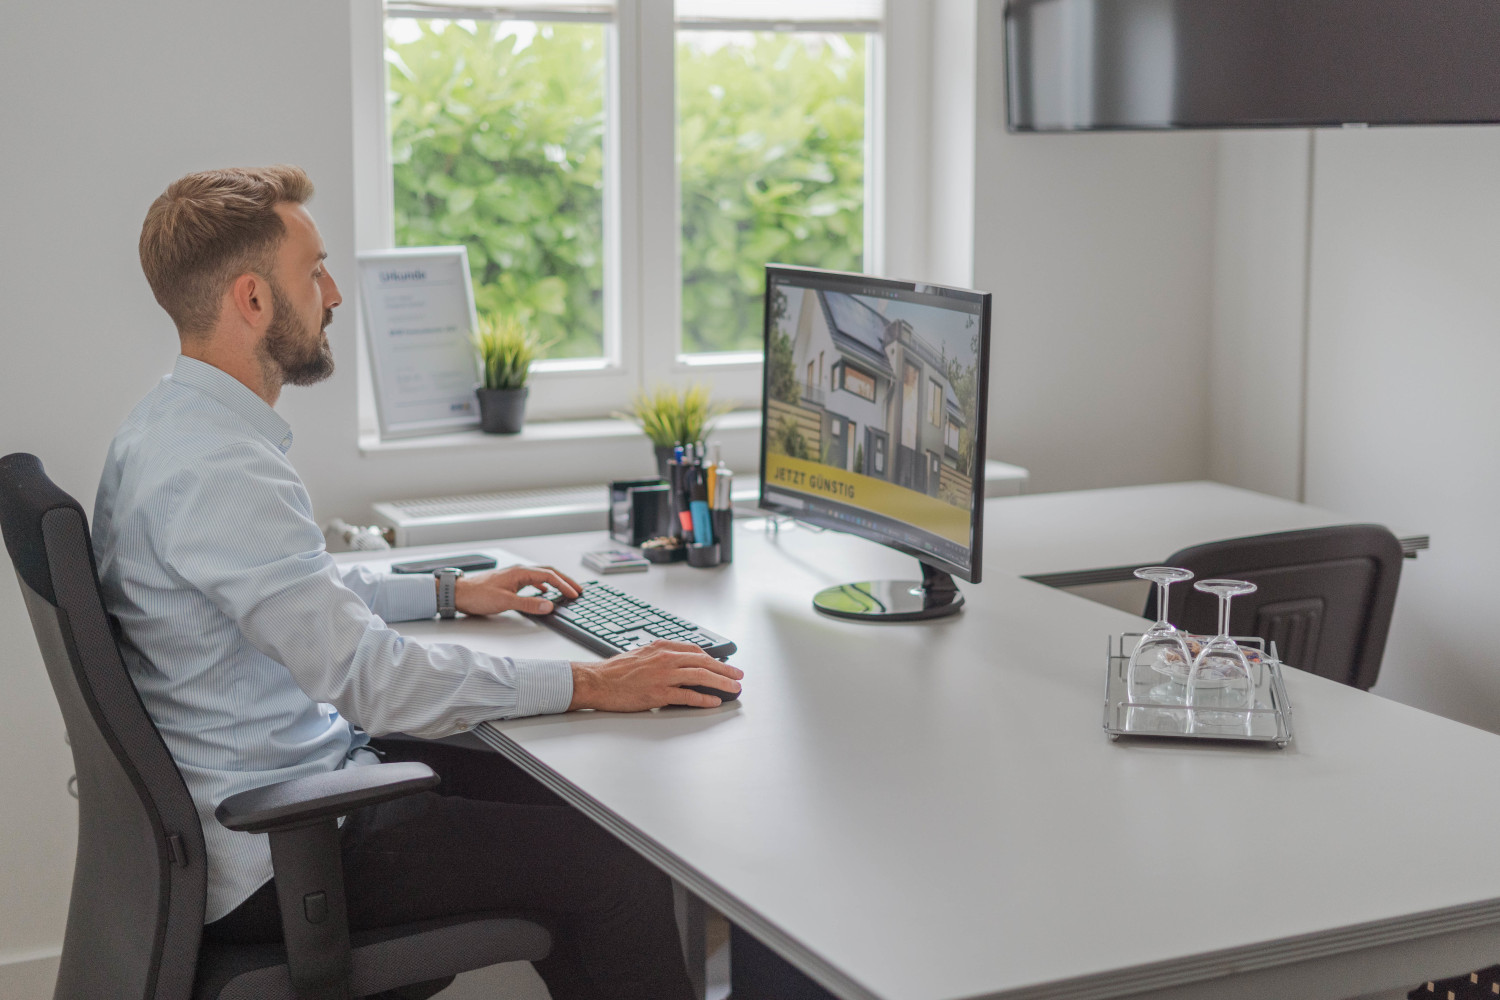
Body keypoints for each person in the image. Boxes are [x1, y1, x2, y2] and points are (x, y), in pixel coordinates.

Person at [93, 165, 742, 1000]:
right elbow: (373, 679)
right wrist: (594, 682)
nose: (332, 294)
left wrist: (446, 591)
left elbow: (300, 595)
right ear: (252, 299)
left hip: (278, 800)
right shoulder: (222, 469)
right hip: (283, 856)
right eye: (314, 272)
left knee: (583, 805)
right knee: (616, 868)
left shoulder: (169, 429)